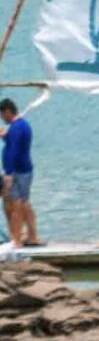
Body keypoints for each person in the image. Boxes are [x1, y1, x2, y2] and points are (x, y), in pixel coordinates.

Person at [1, 99, 39, 249]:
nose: (2, 118)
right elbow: (14, 143)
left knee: (14, 205)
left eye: (2, 115)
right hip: (24, 169)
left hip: (17, 171)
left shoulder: (16, 128)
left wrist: (8, 173)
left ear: (7, 112)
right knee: (24, 204)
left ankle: (16, 240)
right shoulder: (21, 125)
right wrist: (4, 136)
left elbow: (14, 150)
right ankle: (32, 236)